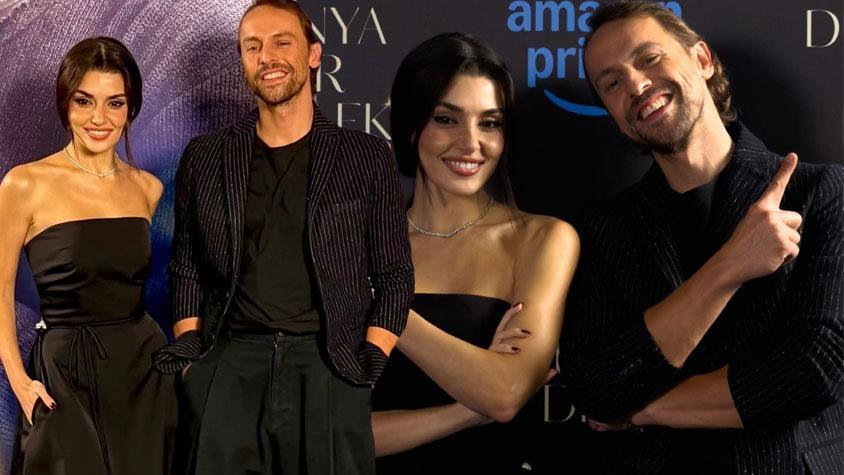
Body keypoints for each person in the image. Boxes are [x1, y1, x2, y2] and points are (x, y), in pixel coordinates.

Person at [561, 2, 844, 473]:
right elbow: (594, 386)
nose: (636, 85)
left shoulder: (820, 192)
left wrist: (639, 410)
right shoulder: (605, 230)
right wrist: (730, 266)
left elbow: (817, 369)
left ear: (703, 59)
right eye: (612, 83)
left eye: (650, 58)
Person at [150, 0, 413, 473]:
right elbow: (186, 266)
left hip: (327, 367)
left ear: (313, 54)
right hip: (229, 366)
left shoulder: (365, 156)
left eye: (281, 42)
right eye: (252, 47)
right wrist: (193, 360)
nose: (266, 57)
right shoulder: (207, 157)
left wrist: (369, 364)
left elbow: (394, 276)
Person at [370, 33, 579, 474]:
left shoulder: (541, 239)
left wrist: (385, 308)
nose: (471, 144)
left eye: (489, 123)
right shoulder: (364, 242)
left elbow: (505, 395)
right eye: (446, 119)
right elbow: (328, 432)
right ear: (410, 127)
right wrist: (466, 411)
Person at [0, 37, 176, 475]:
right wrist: (20, 381)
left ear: (130, 109)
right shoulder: (25, 183)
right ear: (66, 104)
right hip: (63, 376)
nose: (99, 118)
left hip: (143, 375)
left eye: (114, 103)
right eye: (85, 101)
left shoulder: (148, 188)